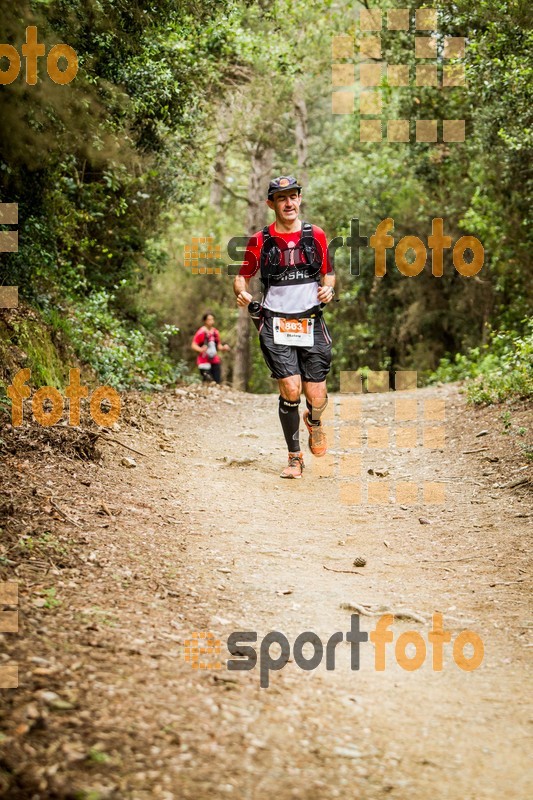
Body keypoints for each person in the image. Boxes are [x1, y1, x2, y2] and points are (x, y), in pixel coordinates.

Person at [233, 175, 335, 478]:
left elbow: (328, 274)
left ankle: (314, 421)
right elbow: (242, 276)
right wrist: (241, 292)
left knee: (317, 396)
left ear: (300, 199)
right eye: (281, 198)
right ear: (271, 204)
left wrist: (327, 289)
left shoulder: (315, 235)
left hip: (311, 320)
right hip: (275, 321)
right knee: (290, 388)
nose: (288, 203)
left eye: (293, 196)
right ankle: (294, 458)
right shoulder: (260, 240)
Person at [191, 313, 230, 384]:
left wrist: (223, 348)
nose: (211, 321)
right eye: (209, 319)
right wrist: (200, 349)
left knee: (217, 381)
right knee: (207, 380)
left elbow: (218, 345)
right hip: (204, 360)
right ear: (205, 321)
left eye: (212, 319)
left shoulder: (215, 332)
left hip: (214, 359)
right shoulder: (201, 332)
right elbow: (193, 344)